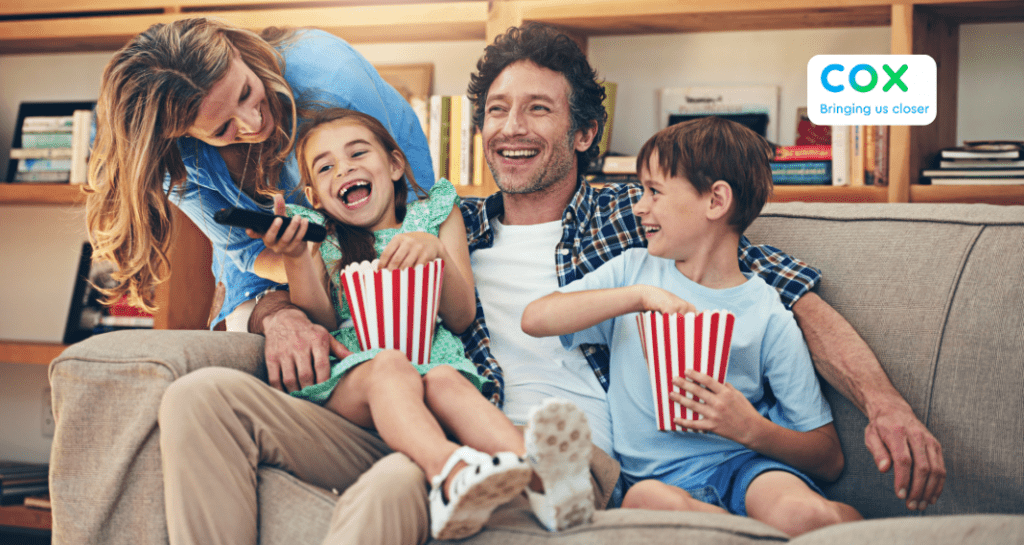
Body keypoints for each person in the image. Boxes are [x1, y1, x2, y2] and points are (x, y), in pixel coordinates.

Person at [247, 20, 943, 540]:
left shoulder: (633, 214)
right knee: (393, 478)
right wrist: (276, 307)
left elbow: (783, 291)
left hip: (597, 455)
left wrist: (883, 401)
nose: (510, 129)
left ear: (584, 135)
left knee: (401, 483)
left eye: (537, 110)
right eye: (496, 110)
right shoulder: (445, 224)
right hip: (466, 429)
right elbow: (327, 259)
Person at [521, 117, 864, 536]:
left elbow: (828, 457)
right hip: (653, 480)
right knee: (648, 502)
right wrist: (639, 297)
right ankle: (743, 531)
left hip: (744, 466)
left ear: (716, 201)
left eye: (654, 192)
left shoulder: (768, 314)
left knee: (803, 514)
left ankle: (813, 526)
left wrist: (750, 428)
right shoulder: (633, 272)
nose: (638, 206)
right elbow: (536, 318)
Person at [259, 107, 588, 540]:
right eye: (326, 167)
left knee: (448, 381)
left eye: (358, 153)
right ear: (316, 195)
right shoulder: (323, 235)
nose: (345, 169)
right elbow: (321, 318)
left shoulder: (433, 216)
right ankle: (450, 474)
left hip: (430, 362)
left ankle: (550, 483)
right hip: (356, 376)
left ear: (395, 165)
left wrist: (435, 252)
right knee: (392, 367)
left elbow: (461, 314)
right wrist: (297, 258)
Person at [84, 17, 434, 335]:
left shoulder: (331, 79)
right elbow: (248, 254)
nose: (253, 125)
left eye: (246, 92)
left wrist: (327, 271)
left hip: (393, 228)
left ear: (235, 51)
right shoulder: (174, 158)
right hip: (290, 269)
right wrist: (301, 265)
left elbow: (402, 214)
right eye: (223, 128)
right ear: (184, 134)